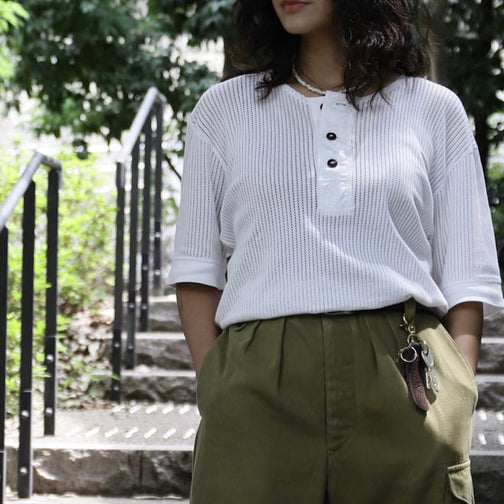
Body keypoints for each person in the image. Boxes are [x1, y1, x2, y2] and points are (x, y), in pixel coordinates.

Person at [168, 0, 504, 502]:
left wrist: (455, 397)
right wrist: (216, 386)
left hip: (405, 380)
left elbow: (467, 277)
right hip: (257, 386)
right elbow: (197, 268)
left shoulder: (433, 109)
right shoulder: (223, 110)